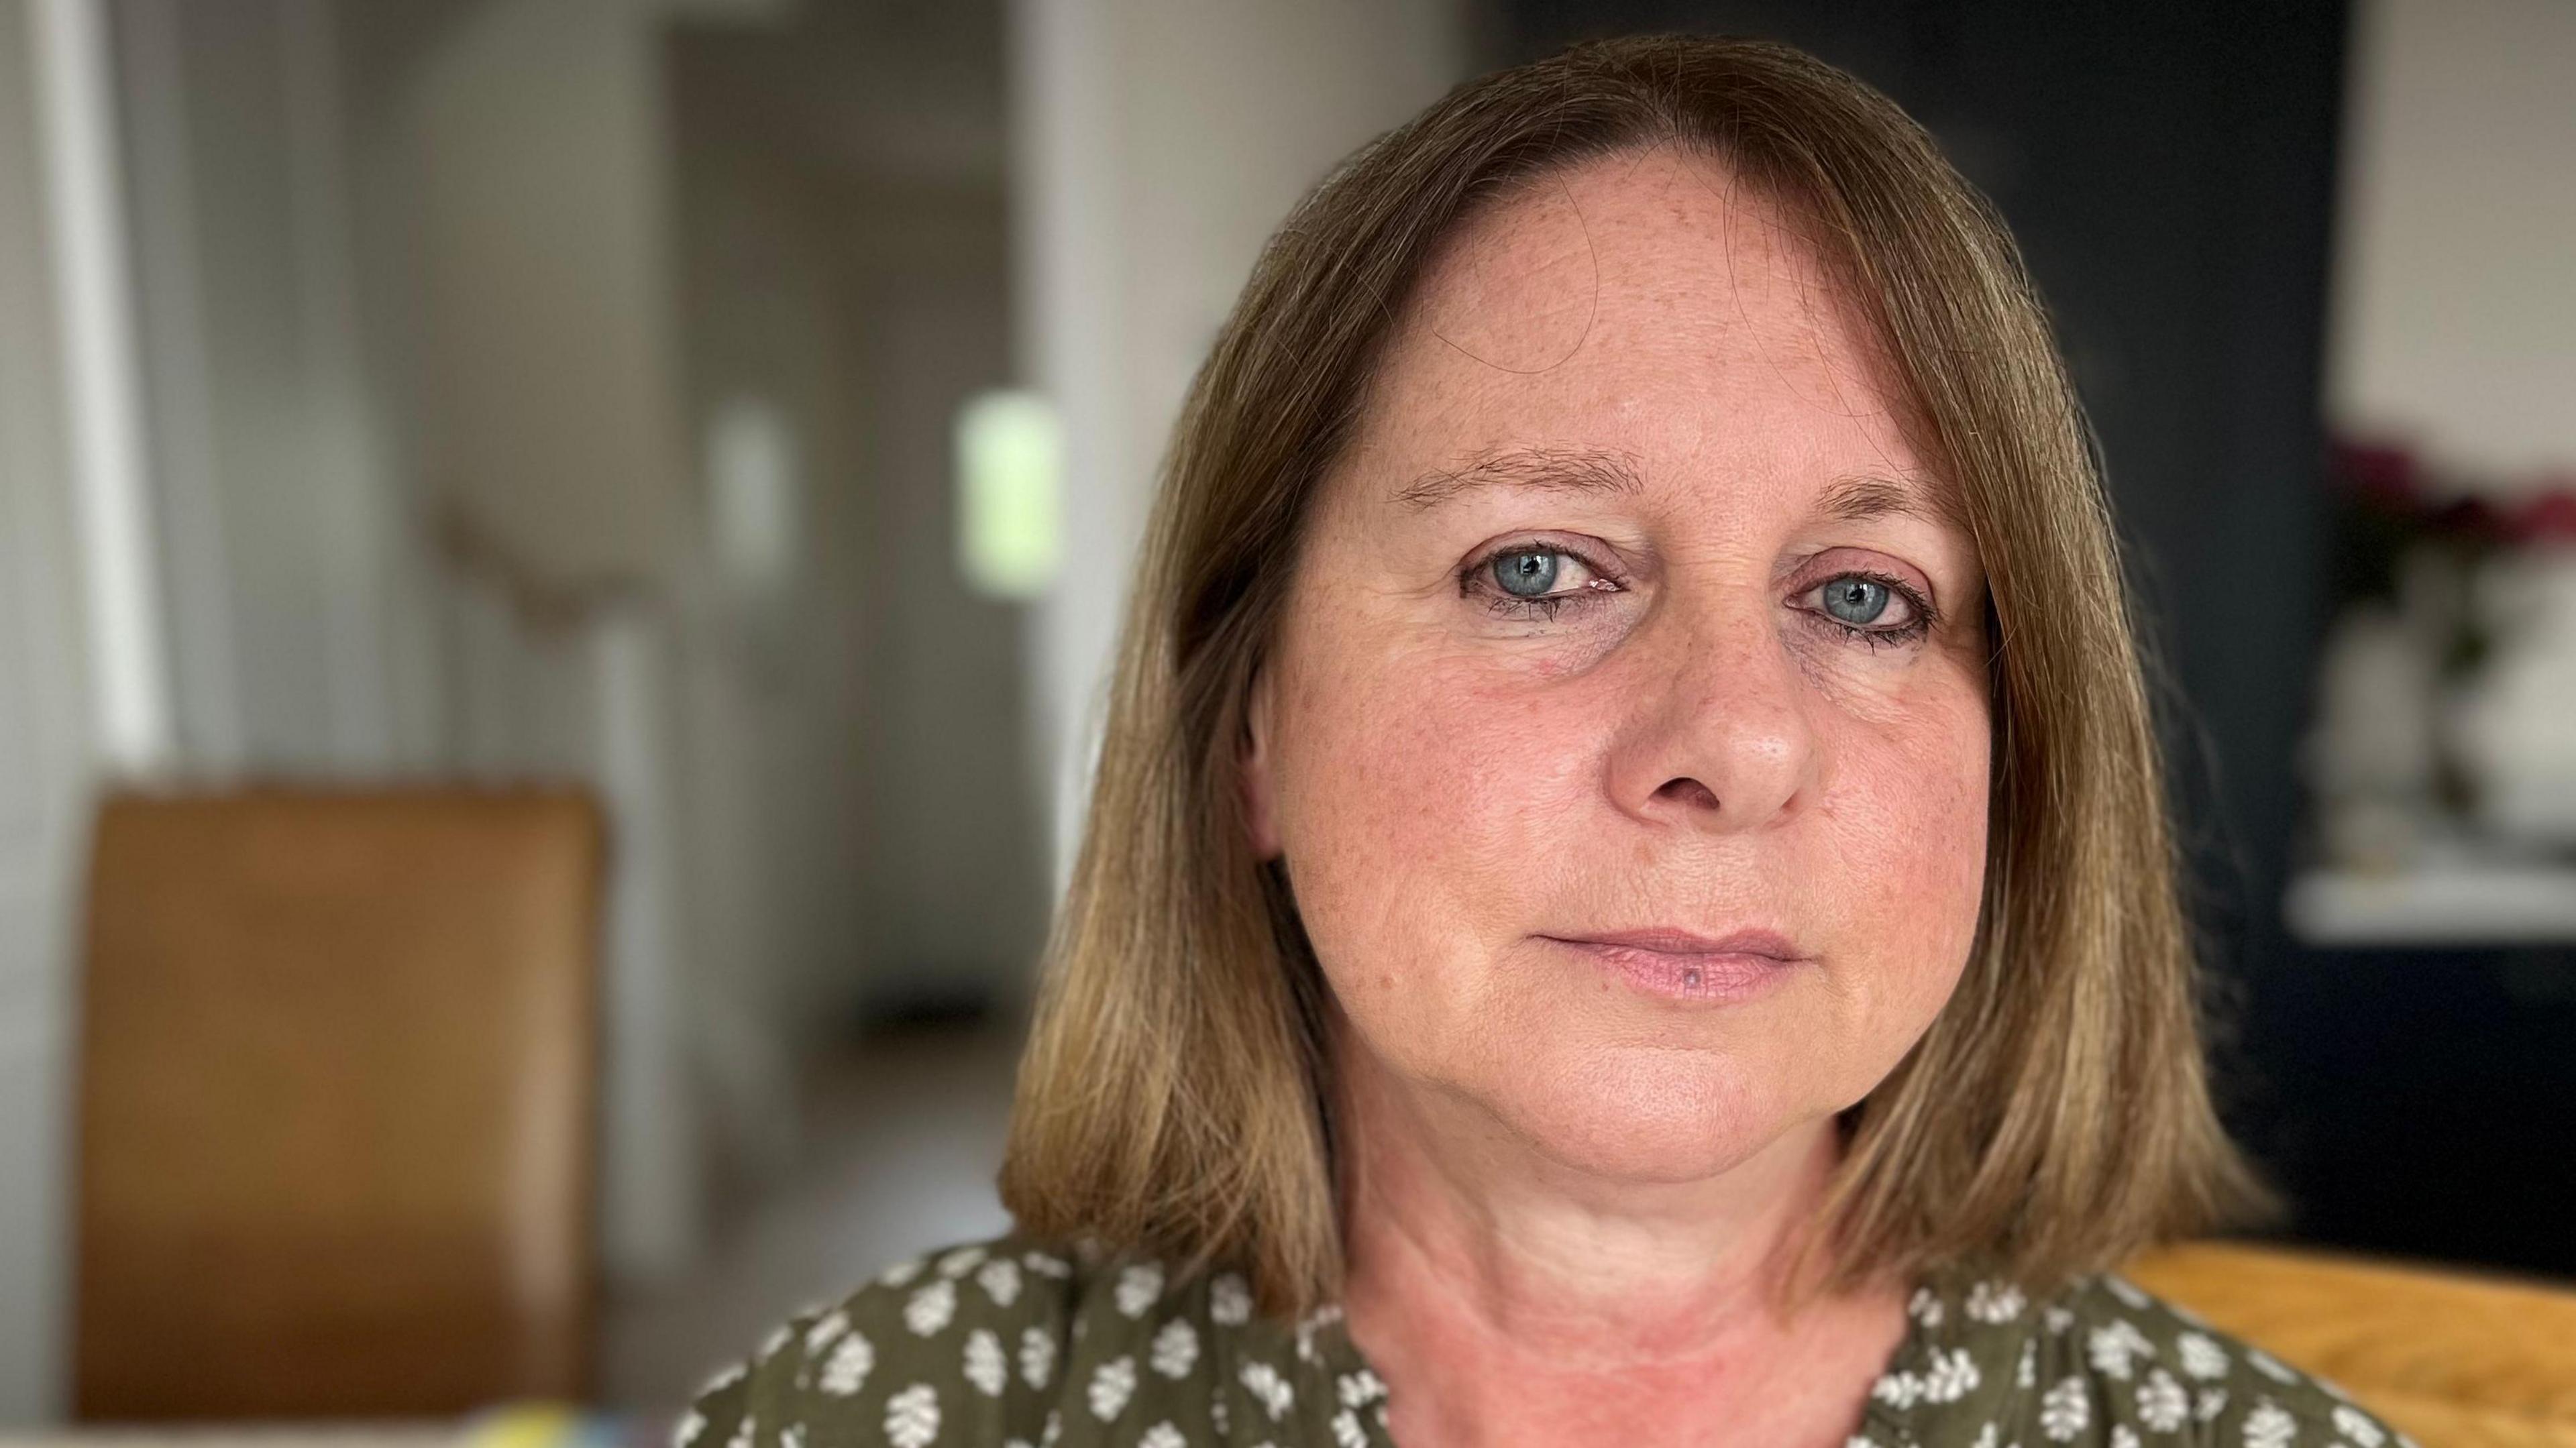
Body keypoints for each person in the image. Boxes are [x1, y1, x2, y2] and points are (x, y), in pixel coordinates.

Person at [678, 34, 2410, 1448]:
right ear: (1251, 727)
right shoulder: (865, 1422)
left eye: (1868, 599)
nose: (1731, 741)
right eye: (1537, 568)